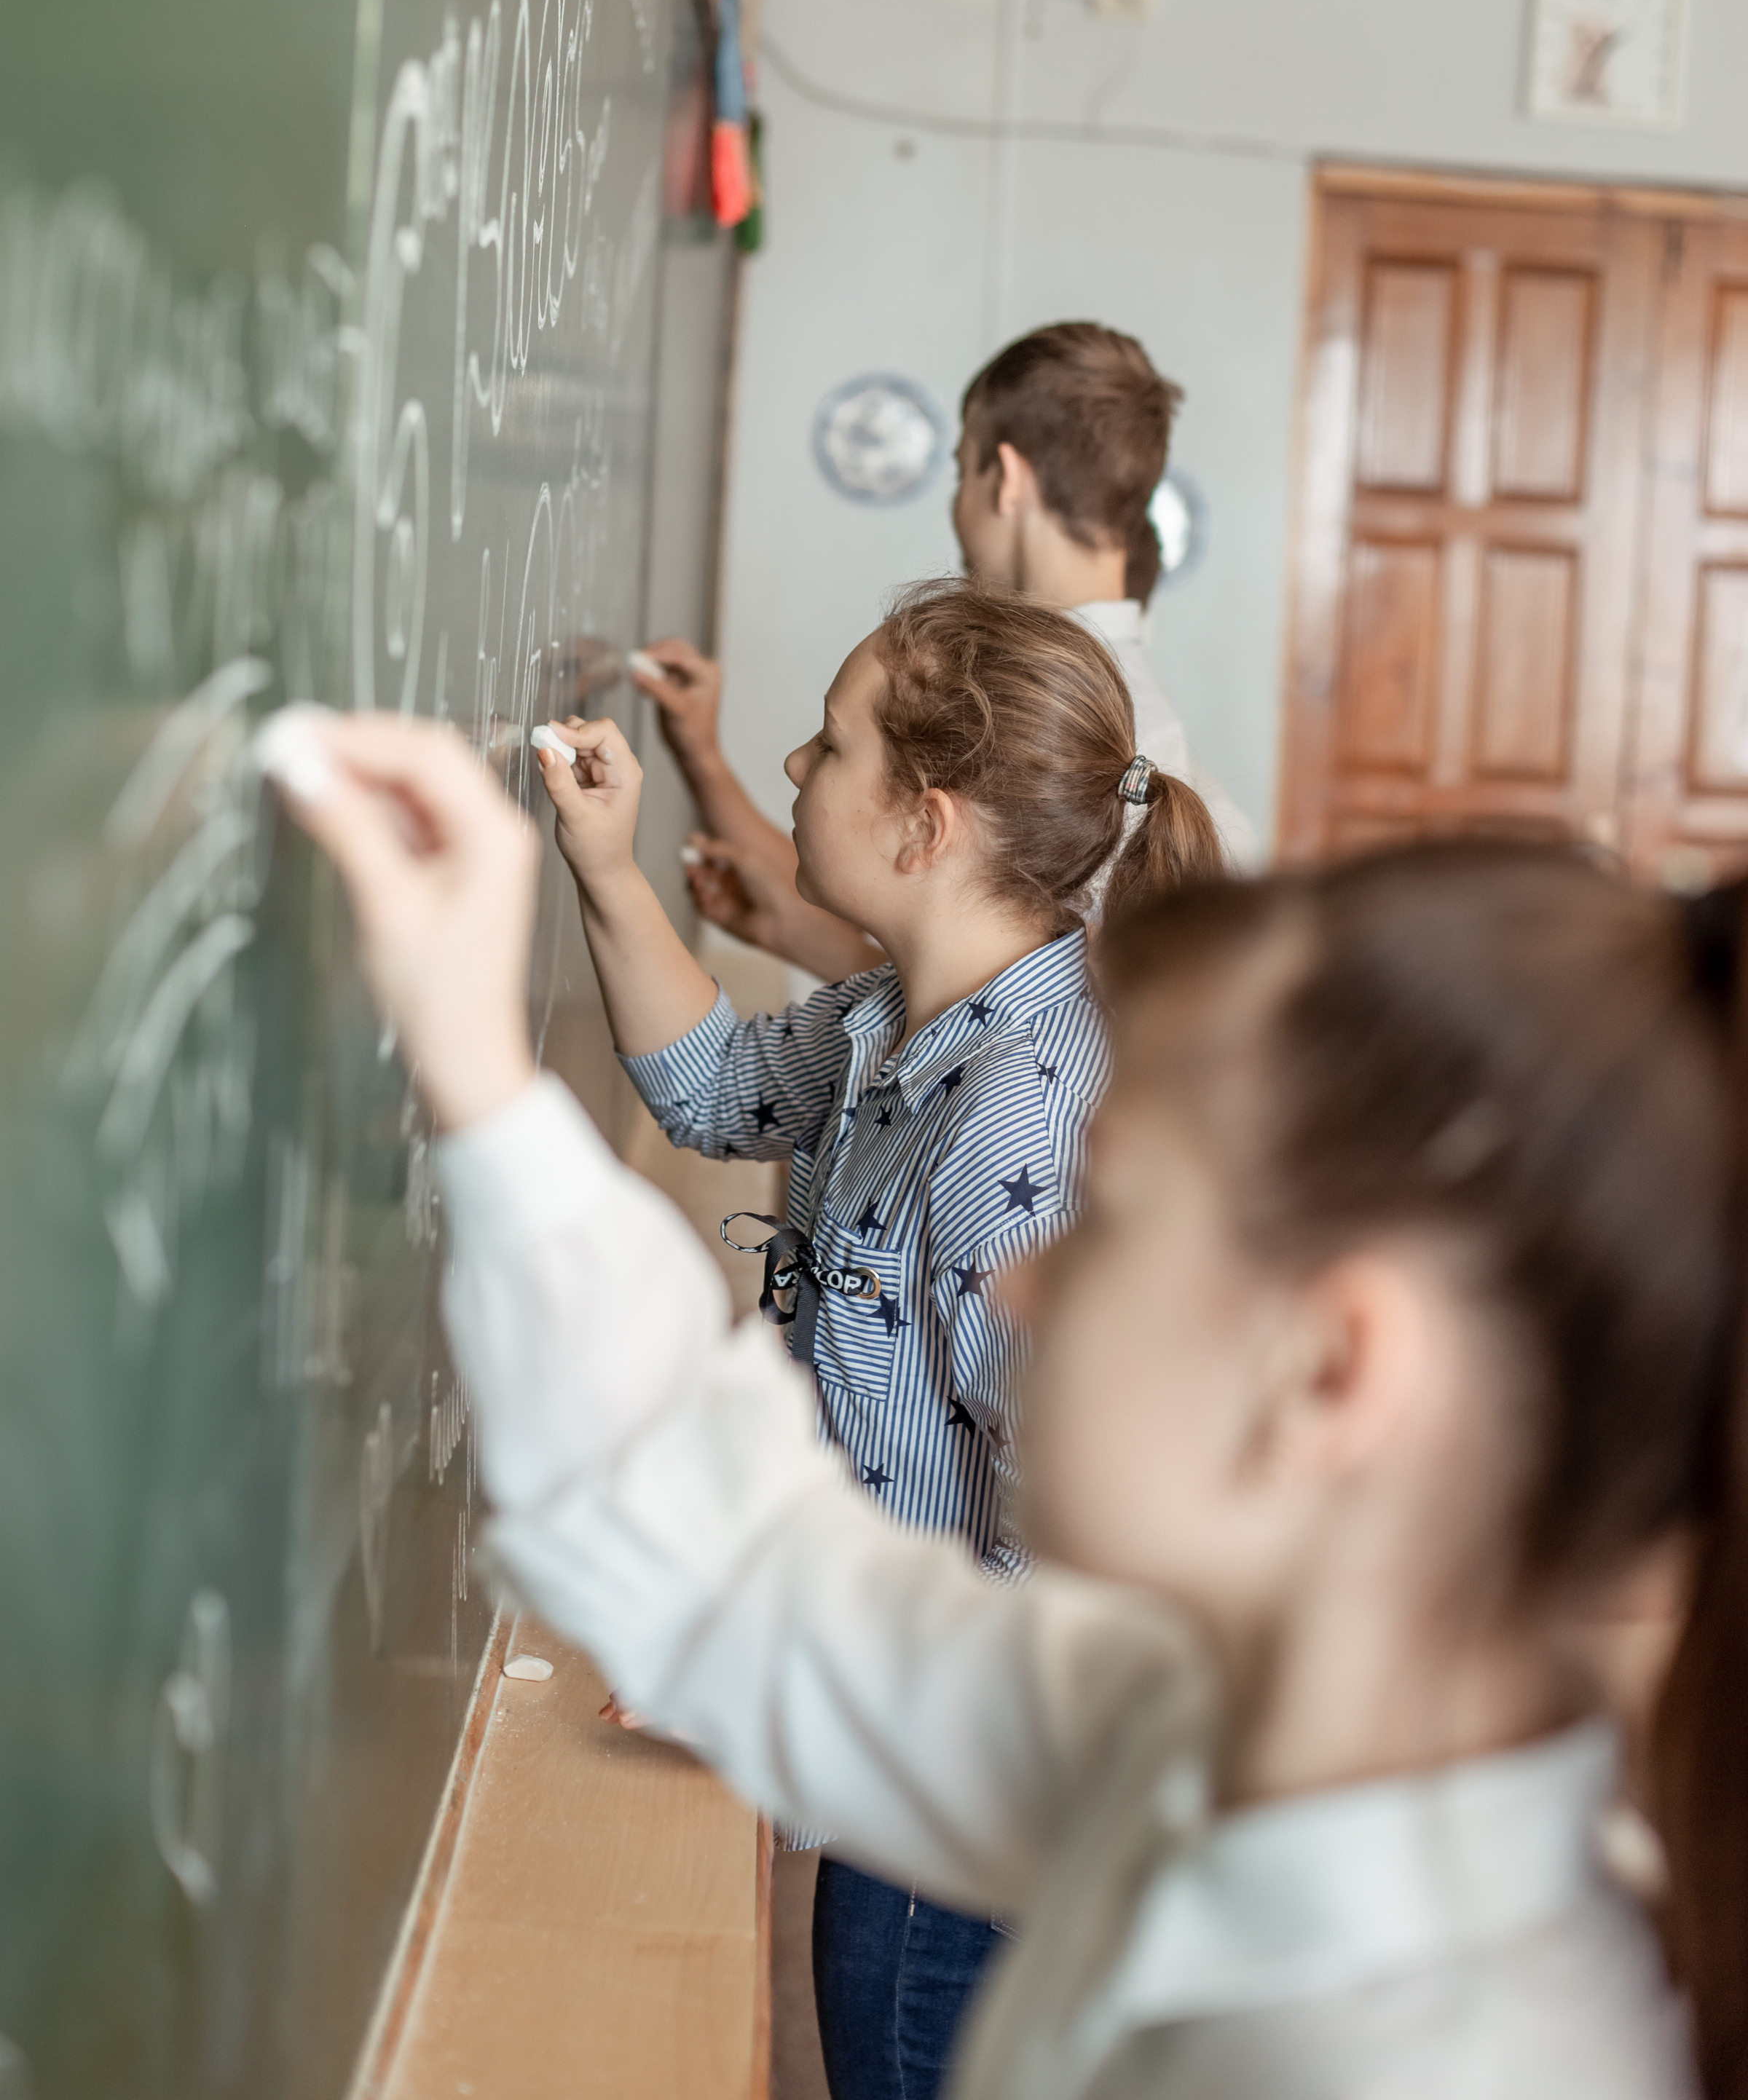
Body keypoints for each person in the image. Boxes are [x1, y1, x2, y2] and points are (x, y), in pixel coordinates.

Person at [266, 699, 1746, 2100]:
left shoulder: (1445, 2061)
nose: (1022, 1290)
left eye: (1111, 1218)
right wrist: (475, 1072)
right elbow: (755, 1591)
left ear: (1331, 1371)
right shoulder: (1168, 1740)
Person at [534, 578, 1219, 2100]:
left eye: (829, 748)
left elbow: (1075, 1536)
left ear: (929, 822)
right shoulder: (891, 1023)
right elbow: (712, 1089)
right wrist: (603, 865)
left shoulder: (1019, 1115)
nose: (792, 770)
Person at [635, 322, 1254, 987]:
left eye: (963, 471)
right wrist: (704, 757)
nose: (958, 509)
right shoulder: (1113, 709)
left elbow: (1017, 1012)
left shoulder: (1076, 727)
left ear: (1008, 479)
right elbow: (878, 862)